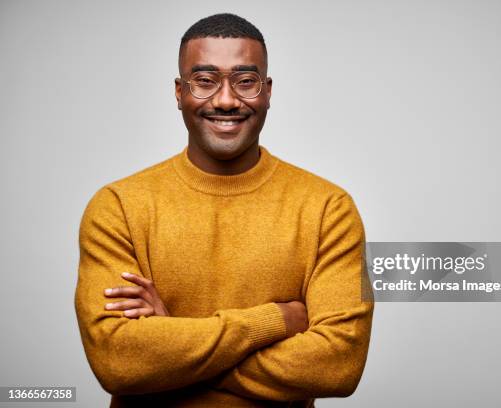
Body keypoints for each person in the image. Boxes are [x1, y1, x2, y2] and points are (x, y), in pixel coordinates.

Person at [74, 13, 374, 408]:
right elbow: (117, 361)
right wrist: (275, 322)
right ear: (179, 92)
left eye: (245, 81)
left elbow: (339, 365)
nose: (227, 99)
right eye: (205, 81)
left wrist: (172, 344)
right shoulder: (117, 207)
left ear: (267, 91)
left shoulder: (328, 209)